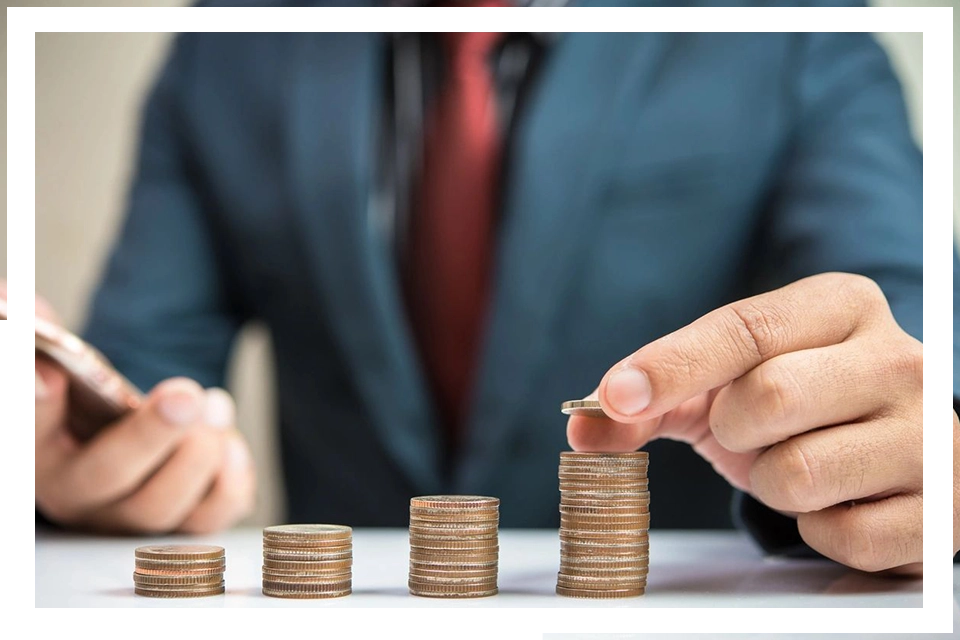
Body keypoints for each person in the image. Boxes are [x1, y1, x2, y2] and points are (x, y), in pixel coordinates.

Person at [28, 2, 935, 577]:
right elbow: (143, 384)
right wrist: (73, 460)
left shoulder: (793, 22)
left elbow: (912, 314)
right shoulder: (227, 47)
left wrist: (923, 429)